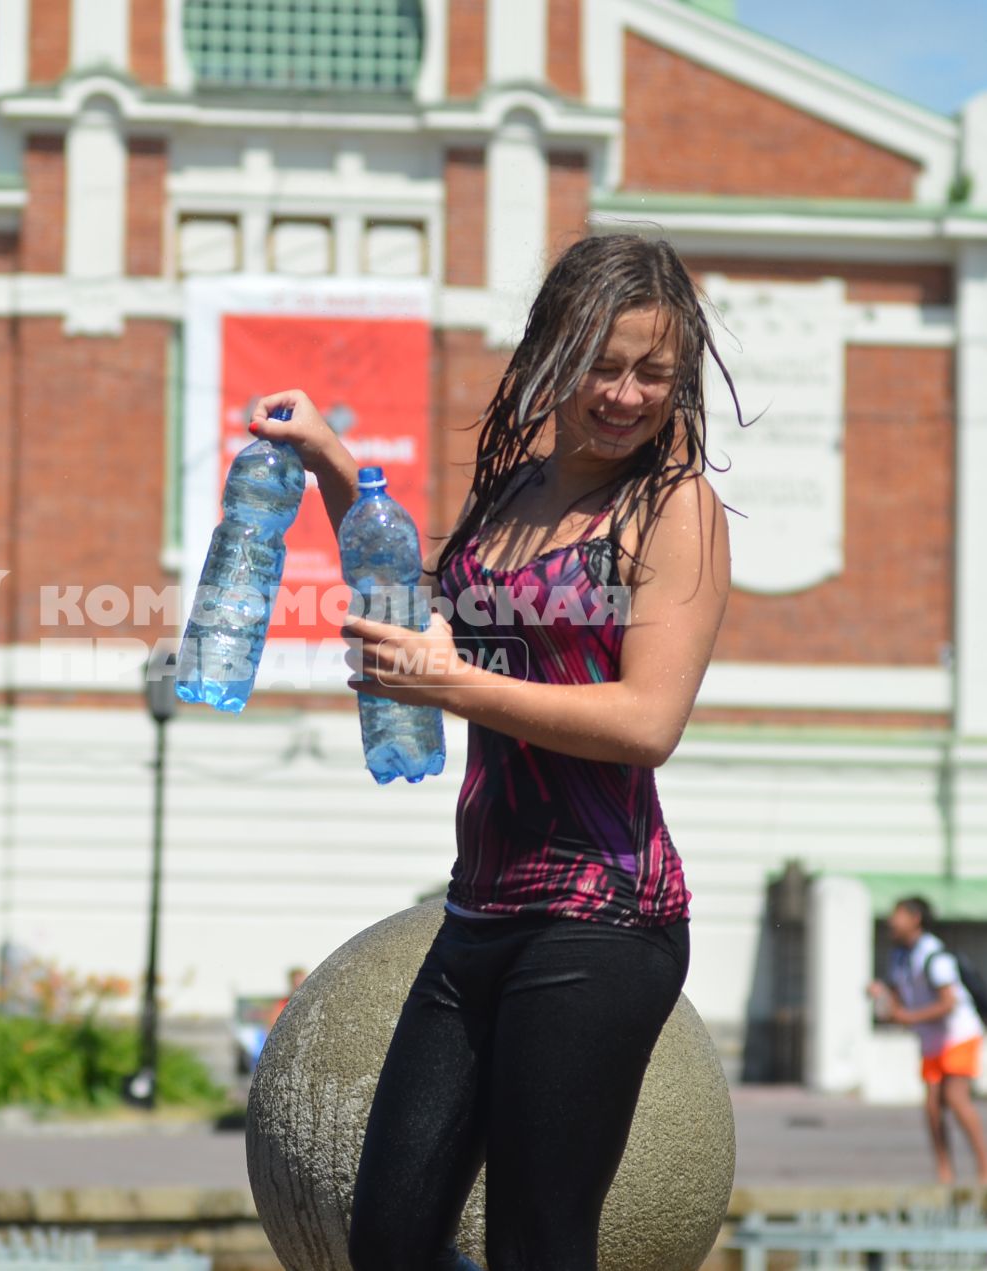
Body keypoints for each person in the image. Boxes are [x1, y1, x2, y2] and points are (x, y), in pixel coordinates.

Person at [251, 234, 733, 1271]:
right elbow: (432, 617)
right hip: (481, 909)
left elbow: (648, 720)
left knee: (537, 1244)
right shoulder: (514, 491)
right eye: (603, 362)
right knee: (387, 1236)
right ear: (551, 350)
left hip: (604, 915)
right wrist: (337, 465)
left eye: (654, 371)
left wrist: (449, 685)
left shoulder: (672, 505)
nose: (625, 392)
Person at [869, 896, 987, 1185]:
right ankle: (944, 1170)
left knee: (955, 1098)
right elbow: (900, 996)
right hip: (932, 1039)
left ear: (915, 918)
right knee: (932, 1105)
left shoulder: (934, 954)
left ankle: (986, 1168)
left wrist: (909, 1018)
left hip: (958, 1034)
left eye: (898, 914)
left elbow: (948, 1003)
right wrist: (882, 995)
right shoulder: (900, 956)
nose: (892, 920)